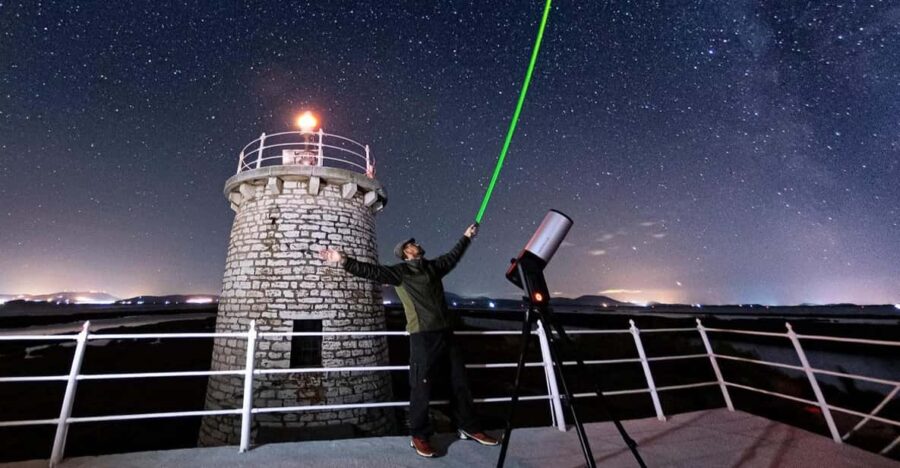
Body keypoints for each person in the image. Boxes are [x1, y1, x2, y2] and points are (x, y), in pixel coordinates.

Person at [319, 223, 499, 458]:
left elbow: (453, 257)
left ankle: (469, 426)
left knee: (460, 382)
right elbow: (372, 271)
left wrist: (466, 237)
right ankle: (420, 435)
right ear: (406, 252)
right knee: (421, 385)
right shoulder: (400, 272)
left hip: (446, 333)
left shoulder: (434, 267)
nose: (417, 244)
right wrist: (343, 260)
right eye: (412, 244)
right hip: (422, 336)